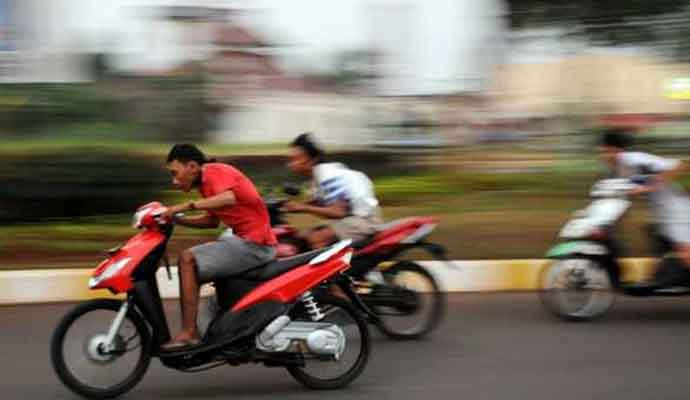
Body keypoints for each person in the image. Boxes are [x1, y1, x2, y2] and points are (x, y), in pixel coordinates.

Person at [161, 144, 277, 350]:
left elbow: (228, 198)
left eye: (175, 173)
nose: (174, 181)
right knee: (198, 257)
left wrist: (186, 206)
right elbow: (212, 222)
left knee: (188, 259)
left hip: (255, 244)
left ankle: (189, 334)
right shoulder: (206, 185)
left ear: (192, 166)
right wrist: (178, 220)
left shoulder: (215, 171)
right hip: (245, 241)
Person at [600, 128, 690, 285]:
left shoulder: (634, 159)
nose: (602, 155)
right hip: (661, 212)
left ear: (614, 150)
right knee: (657, 239)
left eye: (605, 151)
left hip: (676, 209)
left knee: (685, 250)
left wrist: (649, 187)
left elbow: (679, 166)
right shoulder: (618, 169)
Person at [283, 133, 382, 249]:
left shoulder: (327, 176)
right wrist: (289, 206)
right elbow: (320, 203)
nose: (291, 164)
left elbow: (338, 212)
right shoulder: (316, 177)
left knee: (316, 239)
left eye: (295, 159)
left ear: (312, 160)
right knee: (301, 236)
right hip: (349, 218)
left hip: (364, 220)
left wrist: (303, 208)